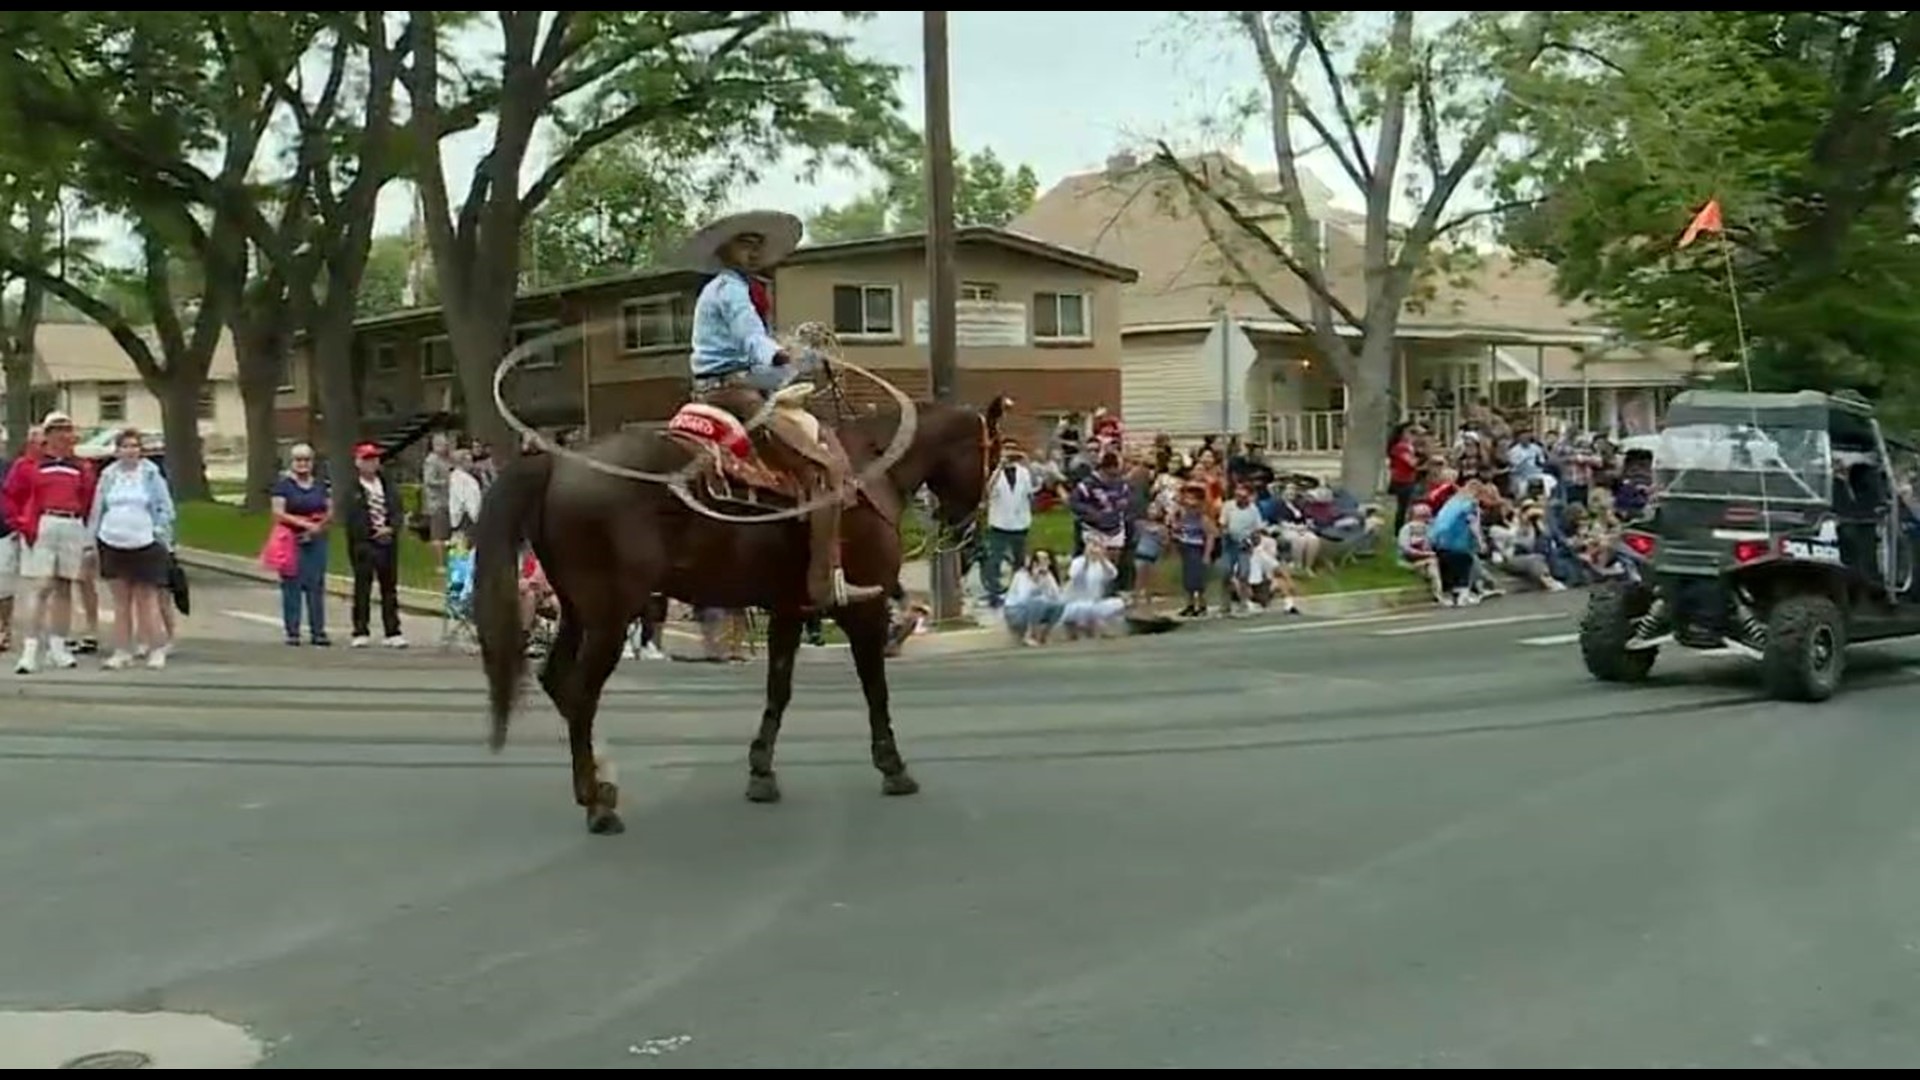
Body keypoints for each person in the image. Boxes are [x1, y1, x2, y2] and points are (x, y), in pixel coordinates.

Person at [678, 208, 883, 610]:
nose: (753, 253)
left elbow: (759, 355)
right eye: (744, 244)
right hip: (734, 394)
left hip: (725, 387)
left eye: (757, 245)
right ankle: (822, 583)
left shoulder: (733, 288)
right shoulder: (731, 291)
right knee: (824, 469)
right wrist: (777, 353)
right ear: (725, 249)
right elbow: (752, 340)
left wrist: (798, 360)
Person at [6, 412, 97, 674]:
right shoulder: (29, 465)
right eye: (56, 430)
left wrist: (86, 532)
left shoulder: (81, 466)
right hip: (43, 522)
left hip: (71, 523)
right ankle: (31, 649)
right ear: (46, 435)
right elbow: (11, 495)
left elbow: (88, 499)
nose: (63, 435)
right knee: (40, 586)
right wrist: (20, 523)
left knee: (64, 586)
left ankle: (58, 646)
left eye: (67, 429)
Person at [87, 427, 176, 669]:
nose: (130, 451)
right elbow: (98, 509)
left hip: (144, 543)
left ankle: (157, 648)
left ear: (141, 451)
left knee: (146, 599)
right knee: (121, 602)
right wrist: (91, 541)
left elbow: (165, 508)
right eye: (125, 446)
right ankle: (122, 650)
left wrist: (161, 535)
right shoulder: (108, 476)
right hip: (113, 541)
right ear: (117, 452)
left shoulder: (151, 474)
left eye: (134, 446)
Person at [343, 443, 406, 648]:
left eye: (374, 459)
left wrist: (391, 529)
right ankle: (360, 630)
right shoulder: (353, 489)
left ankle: (393, 630)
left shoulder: (387, 485)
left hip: (387, 543)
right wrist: (372, 533)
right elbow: (353, 519)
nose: (371, 463)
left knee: (389, 588)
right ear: (358, 462)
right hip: (364, 545)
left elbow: (397, 510)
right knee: (363, 588)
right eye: (366, 459)